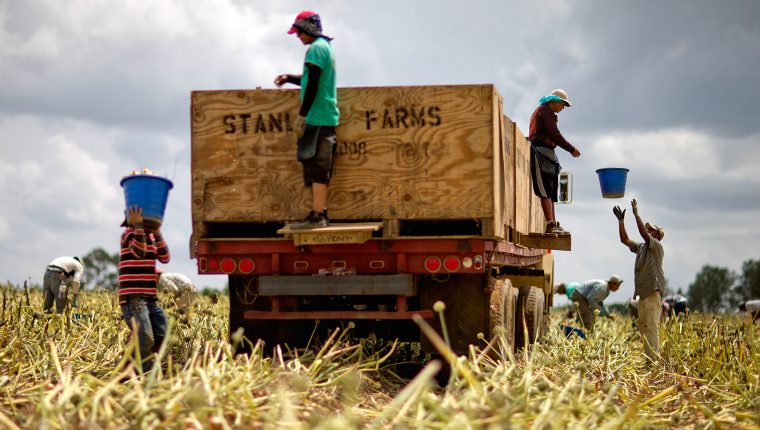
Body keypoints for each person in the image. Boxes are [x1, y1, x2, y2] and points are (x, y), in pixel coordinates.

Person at [274, 10, 340, 229]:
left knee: (318, 168)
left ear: (308, 28)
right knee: (315, 166)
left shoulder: (316, 49)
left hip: (318, 117)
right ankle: (320, 213)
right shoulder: (325, 47)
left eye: (299, 32)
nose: (298, 36)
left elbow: (312, 86)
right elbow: (310, 79)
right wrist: (290, 77)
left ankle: (317, 216)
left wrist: (302, 116)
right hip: (322, 117)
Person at [119, 205, 171, 373]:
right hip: (133, 297)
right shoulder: (128, 235)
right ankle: (148, 374)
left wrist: (157, 233)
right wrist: (139, 227)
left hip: (149, 298)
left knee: (162, 333)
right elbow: (139, 252)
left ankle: (128, 367)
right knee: (146, 337)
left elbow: (165, 257)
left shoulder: (151, 237)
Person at [614, 199, 665, 361]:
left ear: (657, 235)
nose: (648, 231)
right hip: (643, 293)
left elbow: (643, 234)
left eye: (651, 230)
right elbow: (624, 240)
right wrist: (621, 221)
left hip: (652, 291)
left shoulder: (656, 246)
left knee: (651, 327)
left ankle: (654, 361)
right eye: (648, 229)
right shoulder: (642, 248)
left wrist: (636, 214)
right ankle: (649, 359)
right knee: (643, 327)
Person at [527, 89, 581, 235]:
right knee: (544, 190)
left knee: (551, 191)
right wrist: (571, 149)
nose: (563, 107)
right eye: (563, 104)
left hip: (549, 154)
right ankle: (550, 223)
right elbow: (554, 134)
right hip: (540, 152)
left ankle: (554, 223)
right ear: (555, 101)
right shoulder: (544, 111)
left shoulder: (550, 113)